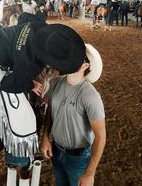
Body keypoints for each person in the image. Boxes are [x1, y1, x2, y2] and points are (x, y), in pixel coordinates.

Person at [0, 22, 86, 184]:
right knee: (20, 112)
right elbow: (8, 85)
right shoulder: (31, 63)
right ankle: (19, 159)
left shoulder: (40, 28)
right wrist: (31, 84)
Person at [41, 44, 106, 186]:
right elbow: (50, 113)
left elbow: (100, 137)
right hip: (56, 151)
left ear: (85, 66)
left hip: (79, 157)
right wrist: (45, 138)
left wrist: (90, 173)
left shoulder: (90, 96)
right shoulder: (56, 83)